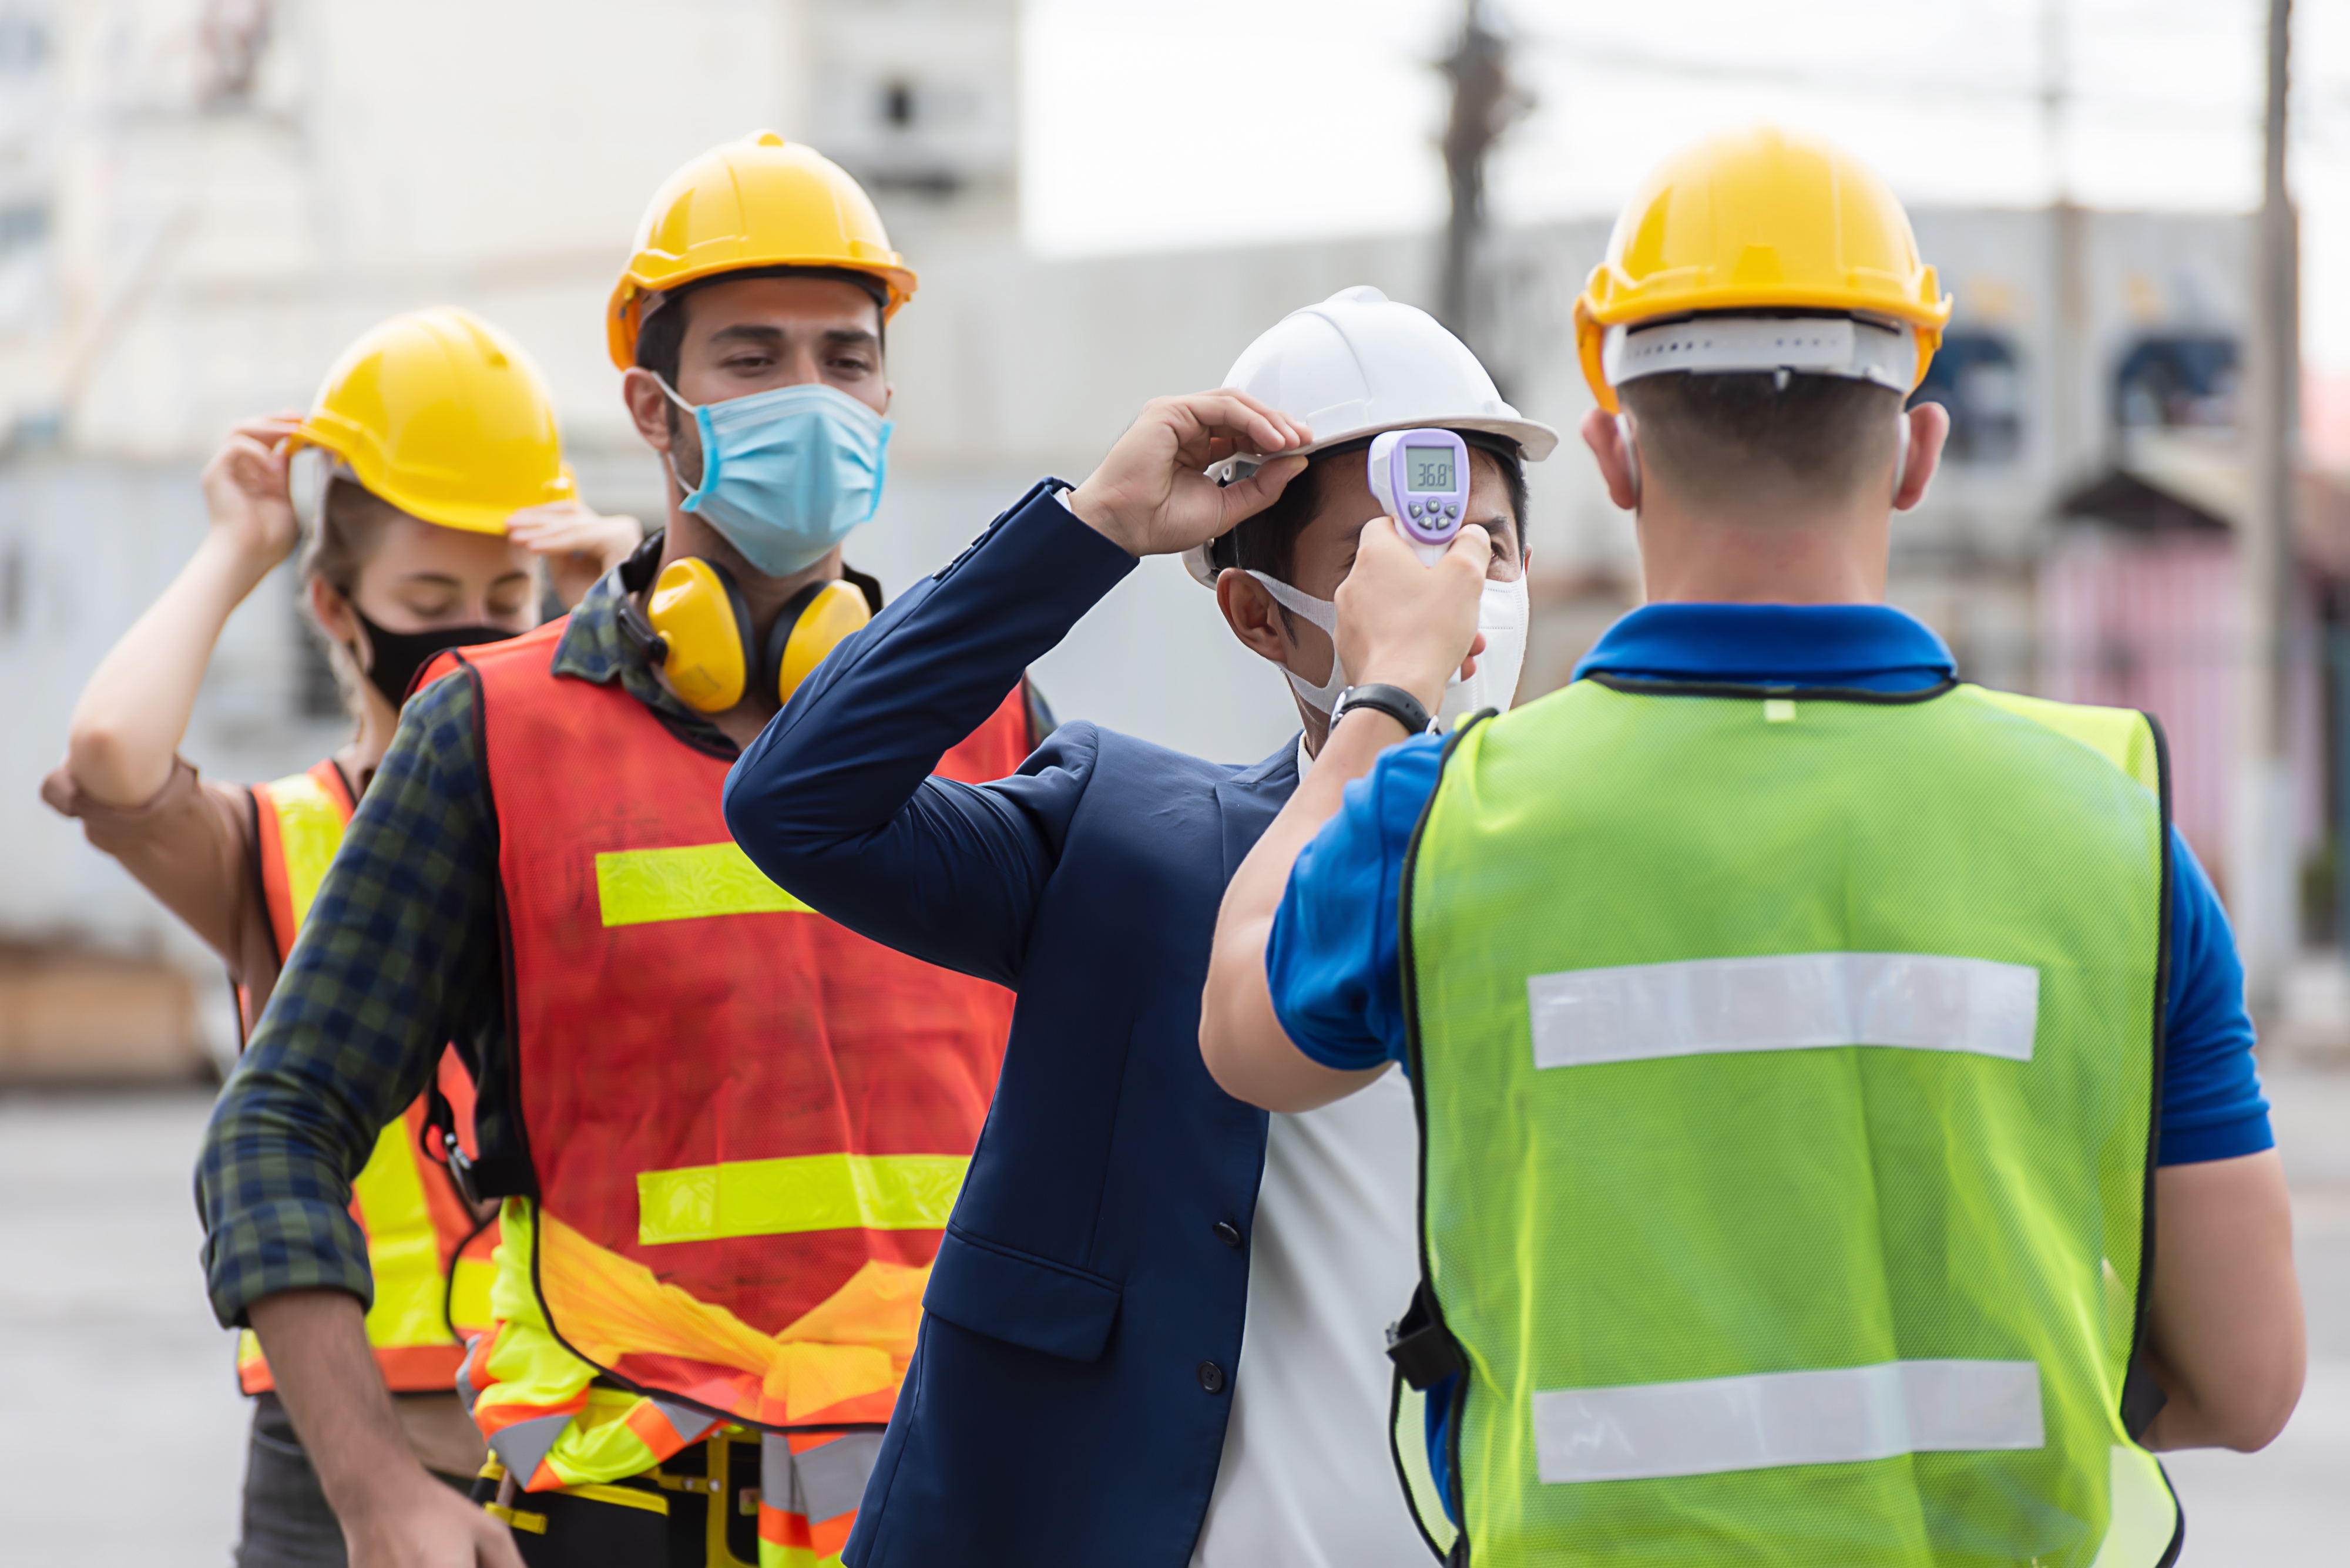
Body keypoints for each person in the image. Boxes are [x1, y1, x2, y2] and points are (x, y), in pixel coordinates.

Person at [1198, 125, 2306, 1567]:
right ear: (1916, 451)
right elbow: (2246, 1377)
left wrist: (1380, 701)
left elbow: (1244, 1031)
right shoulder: (2109, 826)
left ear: (1610, 452)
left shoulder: (1446, 818)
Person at [196, 133, 1040, 1568]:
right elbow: (274, 1133)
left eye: (846, 359)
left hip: (948, 1496)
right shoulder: (493, 735)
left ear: (888, 395)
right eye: (752, 359)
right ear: (655, 410)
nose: (811, 400)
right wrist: (374, 1489)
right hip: (629, 1508)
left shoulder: (994, 724)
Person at [720, 287, 1550, 1567]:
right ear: (1259, 615)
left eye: (1484, 548)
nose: (1450, 593)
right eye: (1383, 557)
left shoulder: (1618, 874)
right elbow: (801, 802)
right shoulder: (1132, 845)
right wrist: (1091, 527)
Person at [47, 305, 636, 1568]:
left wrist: (635, 621)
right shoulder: (278, 842)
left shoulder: (598, 817)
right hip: (346, 1459)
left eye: (504, 597)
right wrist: (238, 545)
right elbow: (109, 756)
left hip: (595, 1443)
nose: (469, 630)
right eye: (428, 597)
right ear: (336, 607)